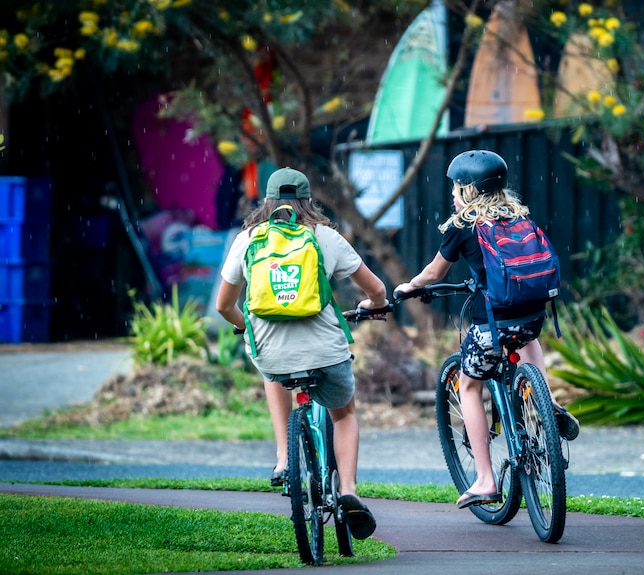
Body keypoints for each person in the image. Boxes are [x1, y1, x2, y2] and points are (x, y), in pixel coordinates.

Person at [394, 150, 579, 509]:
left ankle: (484, 479)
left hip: (491, 325)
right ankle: (548, 401)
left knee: (469, 386)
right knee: (527, 335)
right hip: (532, 315)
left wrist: (408, 287)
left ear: (469, 190)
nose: (452, 192)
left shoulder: (463, 226)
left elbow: (434, 274)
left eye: (455, 186)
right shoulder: (518, 215)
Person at [216, 166, 386, 539]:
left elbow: (224, 305)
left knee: (273, 372)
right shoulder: (325, 237)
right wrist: (376, 303)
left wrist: (245, 325)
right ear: (309, 201)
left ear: (267, 201)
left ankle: (282, 458)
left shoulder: (249, 239)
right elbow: (375, 287)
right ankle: (348, 492)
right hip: (326, 352)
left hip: (272, 354)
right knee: (344, 414)